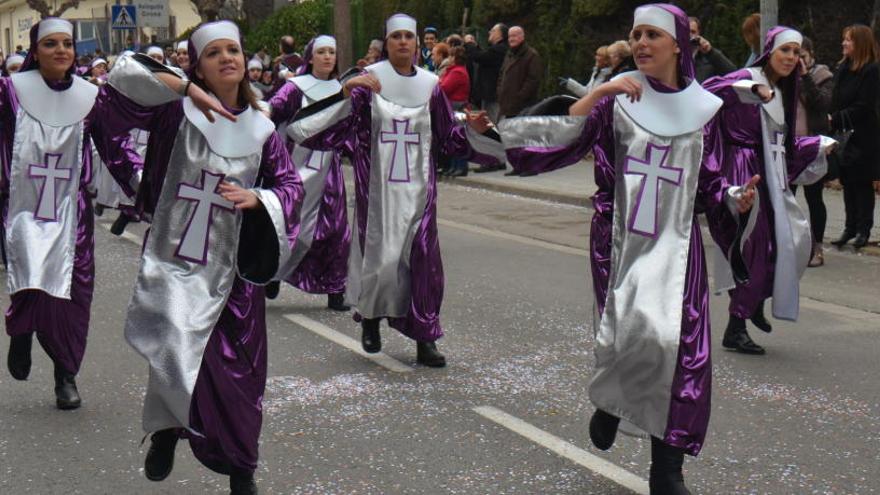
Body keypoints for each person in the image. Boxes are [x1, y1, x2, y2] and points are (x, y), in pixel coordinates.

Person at [499, 5, 757, 492]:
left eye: (652, 35)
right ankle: (611, 401)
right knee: (632, 337)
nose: (640, 43)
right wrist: (599, 91)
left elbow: (710, 182)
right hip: (621, 244)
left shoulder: (706, 110)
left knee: (681, 350)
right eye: (635, 34)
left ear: (678, 44)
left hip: (679, 249)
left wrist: (734, 198)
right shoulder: (618, 99)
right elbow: (556, 142)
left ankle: (667, 469)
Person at [104, 20, 303, 494]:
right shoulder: (175, 114)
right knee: (175, 349)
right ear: (198, 64)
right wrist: (185, 88)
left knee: (239, 373)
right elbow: (122, 74)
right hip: (179, 261)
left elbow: (290, 186)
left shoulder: (262, 129)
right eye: (213, 53)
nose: (227, 59)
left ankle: (242, 469)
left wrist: (261, 200)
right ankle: (169, 430)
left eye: (233, 49)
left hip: (233, 273)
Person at [288, 13, 505, 367]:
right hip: (378, 196)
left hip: (419, 196)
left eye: (409, 36)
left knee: (423, 265)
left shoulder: (432, 86)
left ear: (418, 43)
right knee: (383, 261)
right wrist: (346, 93)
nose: (403, 41)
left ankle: (425, 337)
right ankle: (371, 319)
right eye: (396, 37)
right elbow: (317, 130)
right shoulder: (369, 84)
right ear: (387, 44)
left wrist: (476, 130)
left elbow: (448, 137)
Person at [2, 18, 141, 410]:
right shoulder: (10, 92)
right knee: (31, 274)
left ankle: (65, 373)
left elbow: (114, 145)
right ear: (36, 50)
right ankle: (22, 325)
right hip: (24, 205)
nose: (61, 50)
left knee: (73, 293)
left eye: (67, 44)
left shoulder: (90, 96)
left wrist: (142, 182)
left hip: (72, 209)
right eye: (51, 44)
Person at [703, 27, 836, 355]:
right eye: (785, 51)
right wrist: (749, 88)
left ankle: (755, 301)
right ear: (769, 52)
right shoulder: (747, 77)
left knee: (785, 244)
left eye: (796, 52)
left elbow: (783, 145)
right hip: (742, 174)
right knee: (751, 249)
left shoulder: (782, 91)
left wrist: (817, 145)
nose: (791, 58)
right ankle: (736, 327)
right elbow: (709, 90)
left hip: (770, 176)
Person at [268, 34, 352, 311]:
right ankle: (275, 273)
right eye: (322, 52)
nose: (328, 57)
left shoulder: (344, 90)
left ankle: (336, 288)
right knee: (291, 225)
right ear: (311, 57)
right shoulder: (295, 88)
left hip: (329, 170)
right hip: (297, 167)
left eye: (332, 52)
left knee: (336, 230)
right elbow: (273, 111)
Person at [829, 24, 879, 249]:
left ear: (859, 43)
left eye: (848, 40)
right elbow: (836, 97)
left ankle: (863, 230)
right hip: (843, 134)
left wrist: (836, 118)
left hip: (864, 135)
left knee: (862, 184)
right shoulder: (843, 68)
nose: (843, 43)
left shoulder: (871, 70)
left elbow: (865, 105)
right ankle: (849, 227)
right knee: (847, 181)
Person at [795, 37, 834, 266]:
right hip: (788, 145)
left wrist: (804, 77)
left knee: (814, 197)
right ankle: (785, 244)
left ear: (810, 54)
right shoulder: (784, 76)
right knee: (784, 195)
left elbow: (821, 104)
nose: (796, 59)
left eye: (801, 55)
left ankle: (817, 247)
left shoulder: (822, 76)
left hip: (812, 146)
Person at [464, 23, 508, 124]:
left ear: (500, 35)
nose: (489, 32)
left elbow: (480, 57)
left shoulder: (499, 49)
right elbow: (485, 56)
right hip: (490, 94)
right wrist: (475, 46)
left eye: (493, 31)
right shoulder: (498, 48)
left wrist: (469, 43)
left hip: (492, 95)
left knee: (492, 123)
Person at [496, 26, 543, 120]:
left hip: (522, 107)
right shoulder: (509, 54)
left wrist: (519, 97)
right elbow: (502, 74)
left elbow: (533, 80)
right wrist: (499, 91)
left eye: (514, 36)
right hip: (506, 105)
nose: (511, 39)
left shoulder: (531, 55)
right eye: (509, 36)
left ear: (522, 37)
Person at [439, 46, 472, 177]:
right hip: (452, 105)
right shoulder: (453, 71)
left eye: (451, 56)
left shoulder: (457, 72)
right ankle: (453, 165)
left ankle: (461, 166)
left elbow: (444, 88)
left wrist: (439, 82)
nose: (449, 59)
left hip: (457, 106)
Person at [688, 16, 736, 82]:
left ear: (698, 33)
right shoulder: (673, 56)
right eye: (686, 31)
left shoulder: (709, 57)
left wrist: (710, 52)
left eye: (693, 32)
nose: (689, 35)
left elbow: (733, 73)